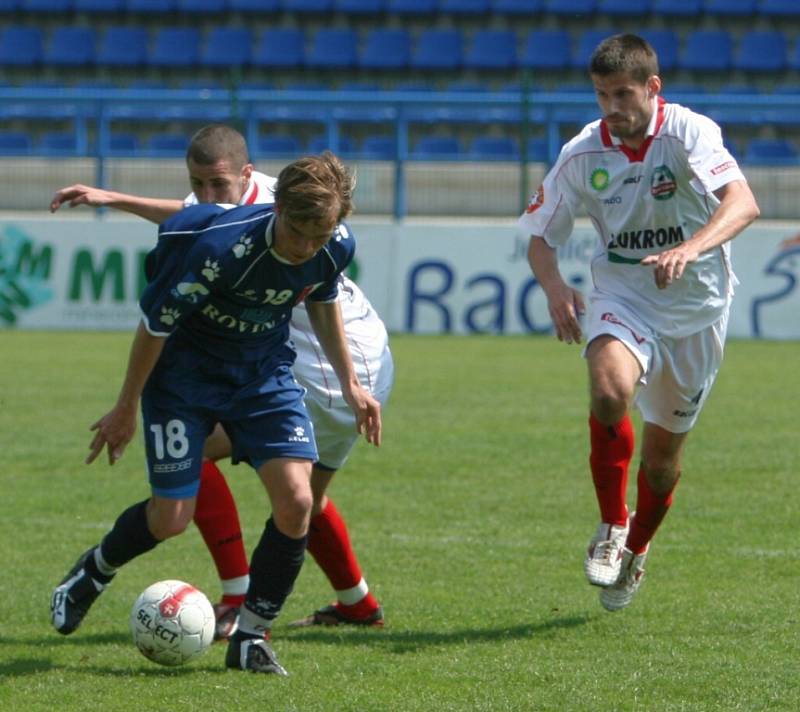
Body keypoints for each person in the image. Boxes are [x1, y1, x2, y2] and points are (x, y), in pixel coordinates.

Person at [50, 124, 392, 637]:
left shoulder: (322, 228)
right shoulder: (219, 242)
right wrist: (125, 407)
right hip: (192, 376)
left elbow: (322, 293)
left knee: (300, 500)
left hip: (280, 368)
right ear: (277, 212)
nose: (306, 247)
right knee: (174, 518)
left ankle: (252, 622)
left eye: (318, 236)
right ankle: (97, 570)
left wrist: (350, 383)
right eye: (299, 234)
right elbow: (170, 283)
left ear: (250, 180)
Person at [519, 34, 759, 611]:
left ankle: (637, 552)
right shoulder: (582, 153)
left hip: (696, 310)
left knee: (661, 464)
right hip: (623, 293)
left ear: (653, 88)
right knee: (608, 391)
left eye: (622, 93)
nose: (611, 107)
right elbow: (538, 236)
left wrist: (692, 247)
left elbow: (744, 202)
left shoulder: (688, 132)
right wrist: (554, 288)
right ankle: (611, 525)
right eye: (601, 95)